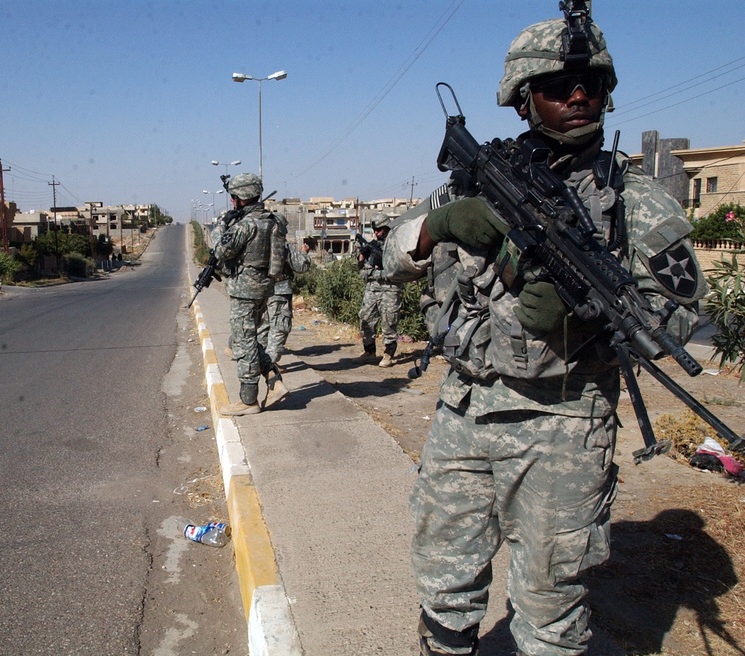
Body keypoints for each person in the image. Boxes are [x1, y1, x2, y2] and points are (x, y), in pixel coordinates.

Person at [381, 12, 706, 656]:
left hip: (565, 422)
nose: (577, 95)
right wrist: (442, 223)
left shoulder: (638, 202)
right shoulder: (476, 179)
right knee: (444, 587)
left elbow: (675, 319)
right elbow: (392, 257)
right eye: (558, 85)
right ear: (524, 98)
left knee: (551, 613)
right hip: (466, 410)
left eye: (590, 83)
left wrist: (581, 305)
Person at [211, 172, 289, 416]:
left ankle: (248, 401)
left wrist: (222, 225)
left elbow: (221, 250)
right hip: (265, 288)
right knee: (247, 338)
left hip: (244, 290)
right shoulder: (273, 220)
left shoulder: (246, 225)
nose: (232, 201)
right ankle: (274, 382)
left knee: (243, 344)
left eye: (234, 197)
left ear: (240, 198)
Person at [258, 228, 311, 365]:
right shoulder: (282, 245)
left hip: (259, 291)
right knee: (279, 328)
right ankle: (269, 366)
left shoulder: (257, 243)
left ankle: (261, 360)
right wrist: (304, 253)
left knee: (264, 327)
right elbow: (301, 266)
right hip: (279, 292)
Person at [356, 212, 403, 367]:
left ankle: (388, 354)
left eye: (379, 230)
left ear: (386, 228)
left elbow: (397, 270)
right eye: (375, 230)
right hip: (372, 289)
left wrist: (377, 273)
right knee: (365, 318)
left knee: (389, 321)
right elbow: (362, 273)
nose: (376, 233)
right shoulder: (372, 247)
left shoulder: (397, 247)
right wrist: (361, 258)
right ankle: (369, 352)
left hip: (391, 288)